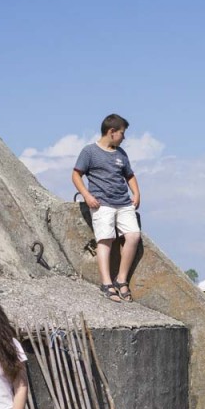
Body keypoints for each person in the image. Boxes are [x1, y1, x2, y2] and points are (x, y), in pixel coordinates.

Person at [72, 113, 141, 303]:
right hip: (102, 203)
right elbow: (76, 175)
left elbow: (130, 176)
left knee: (133, 236)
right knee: (106, 239)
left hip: (123, 202)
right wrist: (87, 195)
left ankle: (121, 279)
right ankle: (106, 283)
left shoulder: (121, 154)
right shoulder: (89, 152)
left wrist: (136, 193)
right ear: (112, 132)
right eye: (122, 133)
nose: (124, 137)